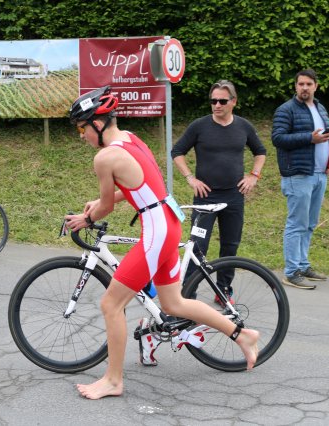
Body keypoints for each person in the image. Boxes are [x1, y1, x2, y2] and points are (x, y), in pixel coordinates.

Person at [65, 86, 259, 400]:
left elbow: (107, 207)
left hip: (156, 231)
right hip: (167, 222)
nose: (81, 135)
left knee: (110, 304)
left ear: (97, 124)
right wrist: (97, 204)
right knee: (173, 304)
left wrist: (85, 219)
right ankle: (242, 334)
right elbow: (138, 185)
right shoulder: (129, 139)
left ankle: (114, 380)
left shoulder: (105, 156)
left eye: (81, 128)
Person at [171, 79, 266, 303]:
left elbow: (260, 152)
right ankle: (188, 295)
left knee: (230, 246)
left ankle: (223, 290)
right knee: (198, 246)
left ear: (233, 102)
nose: (217, 105)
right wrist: (190, 178)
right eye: (213, 101)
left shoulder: (243, 126)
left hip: (234, 196)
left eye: (222, 101)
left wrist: (254, 175)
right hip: (205, 198)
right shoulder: (199, 126)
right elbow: (177, 152)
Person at [272, 69, 329, 290]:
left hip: (319, 174)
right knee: (296, 224)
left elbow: (326, 139)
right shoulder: (286, 110)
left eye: (309, 84)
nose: (305, 88)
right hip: (298, 175)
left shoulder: (320, 108)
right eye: (301, 84)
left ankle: (303, 265)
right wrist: (311, 138)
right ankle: (291, 272)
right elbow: (278, 138)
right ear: (295, 86)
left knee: (309, 224)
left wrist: (328, 164)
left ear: (316, 86)